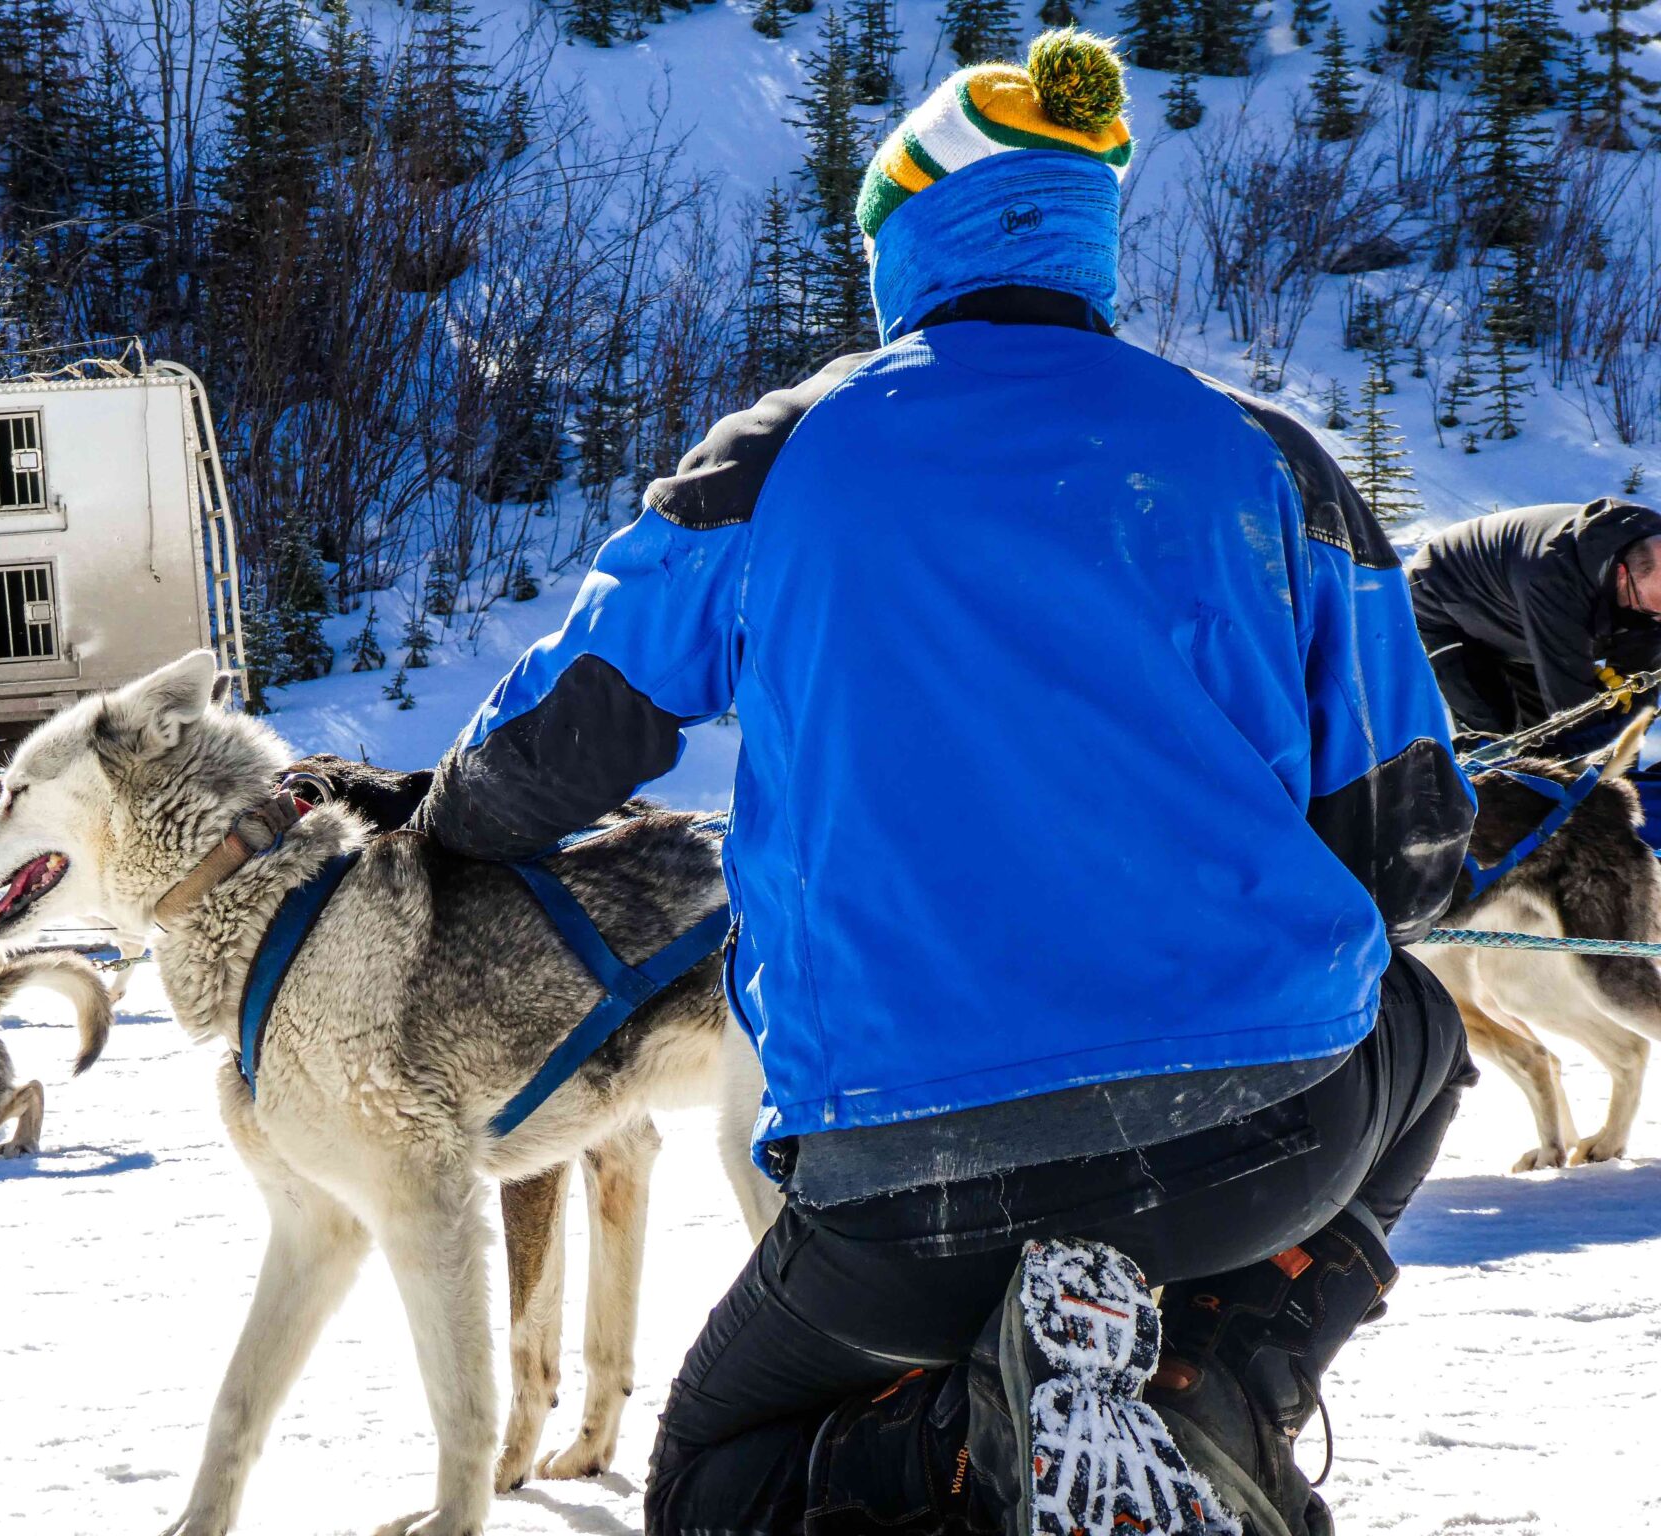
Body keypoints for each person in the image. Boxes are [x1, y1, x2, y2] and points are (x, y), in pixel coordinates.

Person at [411, 31, 1477, 1536]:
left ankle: (976, 1441)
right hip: (1259, 1142)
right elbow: (1408, 854)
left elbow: (553, 750)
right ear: (1086, 231)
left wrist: (443, 822)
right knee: (1417, 1024)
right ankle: (1219, 1383)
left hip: (907, 1178)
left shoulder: (779, 457)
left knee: (709, 1482)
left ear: (906, 238)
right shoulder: (1269, 461)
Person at [1408, 499, 1661, 745]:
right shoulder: (1555, 578)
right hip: (1444, 602)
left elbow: (1641, 678)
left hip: (1518, 616)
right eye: (1650, 608)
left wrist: (1627, 730)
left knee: (1545, 738)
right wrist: (1599, 744)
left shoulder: (1648, 576)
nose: (1657, 619)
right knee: (1499, 739)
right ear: (1621, 575)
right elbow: (1572, 708)